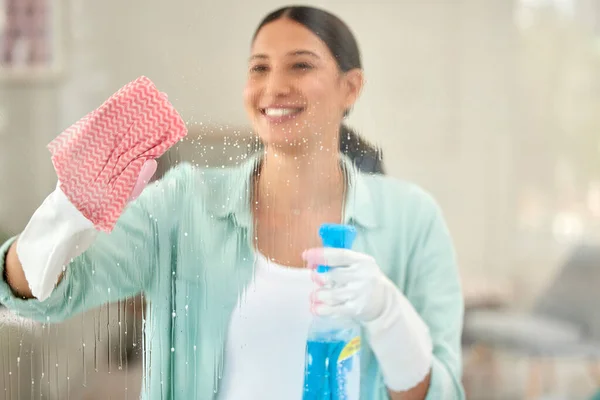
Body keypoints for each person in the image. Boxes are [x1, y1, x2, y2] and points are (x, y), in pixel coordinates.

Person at [0, 5, 464, 400]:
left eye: (300, 65)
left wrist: (388, 316)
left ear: (351, 87)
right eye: (259, 67)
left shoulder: (411, 220)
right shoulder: (185, 204)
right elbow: (42, 298)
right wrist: (66, 215)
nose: (274, 86)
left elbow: (442, 392)